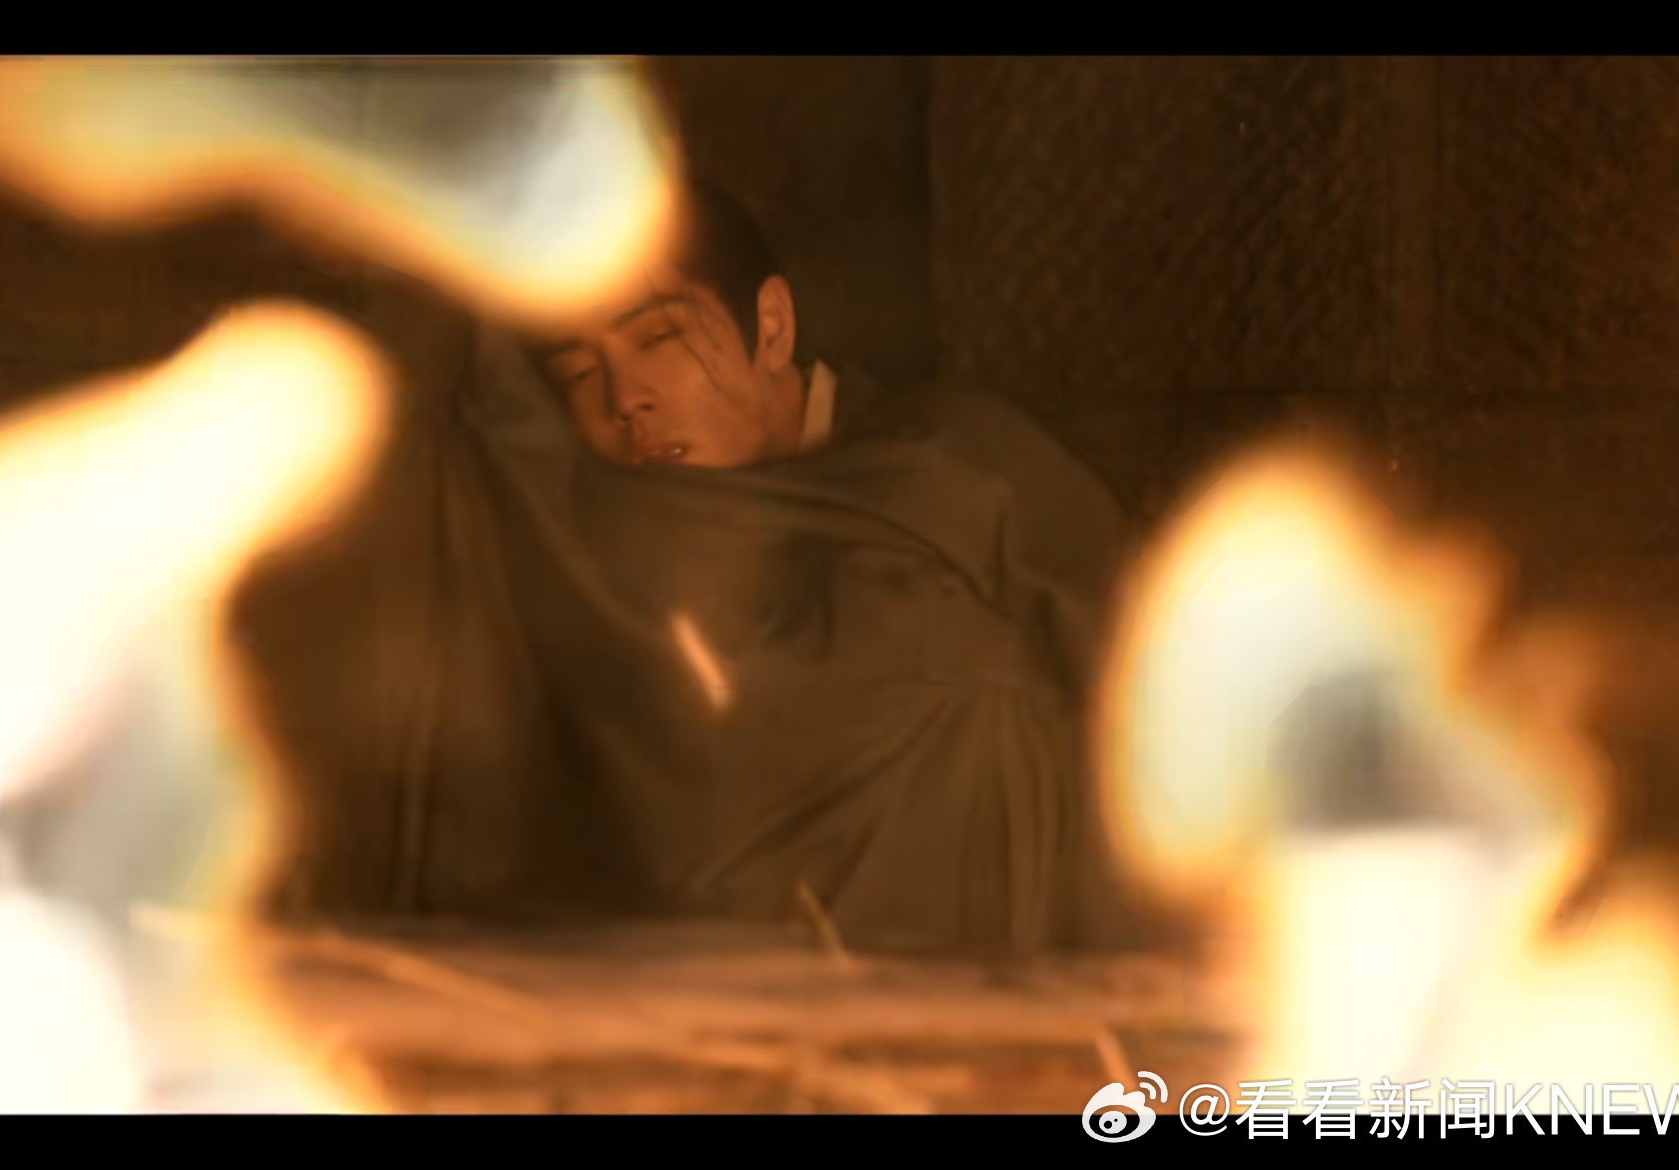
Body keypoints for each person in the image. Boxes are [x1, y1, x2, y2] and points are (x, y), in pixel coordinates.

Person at [377, 178, 1141, 956]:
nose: (625, 397)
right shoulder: (591, 553)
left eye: (659, 340)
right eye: (579, 373)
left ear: (771, 327)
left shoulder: (965, 472)